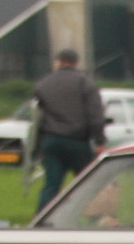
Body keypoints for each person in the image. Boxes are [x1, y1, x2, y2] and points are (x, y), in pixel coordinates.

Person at [32, 49, 106, 208]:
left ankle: (41, 222)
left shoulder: (43, 84)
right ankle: (93, 218)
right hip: (77, 142)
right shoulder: (86, 83)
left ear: (58, 62)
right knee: (88, 182)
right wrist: (99, 141)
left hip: (51, 141)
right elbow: (96, 116)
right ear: (76, 63)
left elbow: (37, 117)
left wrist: (37, 147)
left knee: (51, 185)